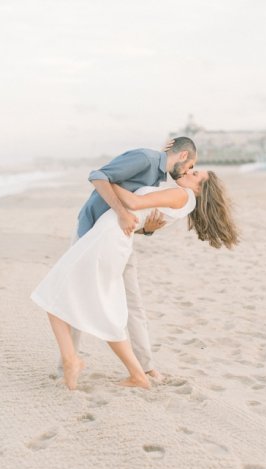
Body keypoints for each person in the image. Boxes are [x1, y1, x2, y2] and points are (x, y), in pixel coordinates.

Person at [32, 168, 238, 389]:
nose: (189, 172)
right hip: (110, 238)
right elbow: (141, 216)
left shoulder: (182, 195)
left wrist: (107, 181)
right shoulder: (181, 198)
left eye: (196, 174)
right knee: (68, 298)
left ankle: (75, 361)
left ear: (200, 189)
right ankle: (121, 370)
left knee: (56, 295)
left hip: (107, 239)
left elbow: (134, 203)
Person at [50, 138, 198, 387]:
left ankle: (145, 368)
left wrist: (148, 230)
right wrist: (122, 212)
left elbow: (135, 216)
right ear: (183, 156)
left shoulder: (158, 177)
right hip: (91, 232)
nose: (187, 172)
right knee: (74, 295)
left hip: (119, 241)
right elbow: (98, 176)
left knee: (133, 304)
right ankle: (67, 362)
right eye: (191, 165)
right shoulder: (145, 158)